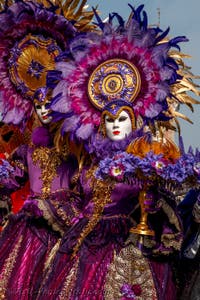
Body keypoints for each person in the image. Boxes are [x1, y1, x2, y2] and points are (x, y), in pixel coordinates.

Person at [36, 100, 183, 300]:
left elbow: (159, 206)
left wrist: (153, 203)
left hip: (122, 240)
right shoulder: (91, 164)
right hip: (82, 239)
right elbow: (78, 198)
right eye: (109, 120)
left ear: (133, 122)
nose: (115, 125)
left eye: (121, 119)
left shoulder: (143, 165)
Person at [0, 87, 77, 299]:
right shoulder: (28, 151)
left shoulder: (74, 152)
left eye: (48, 105)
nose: (44, 110)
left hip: (62, 228)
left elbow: (82, 189)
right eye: (39, 106)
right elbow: (10, 178)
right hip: (30, 228)